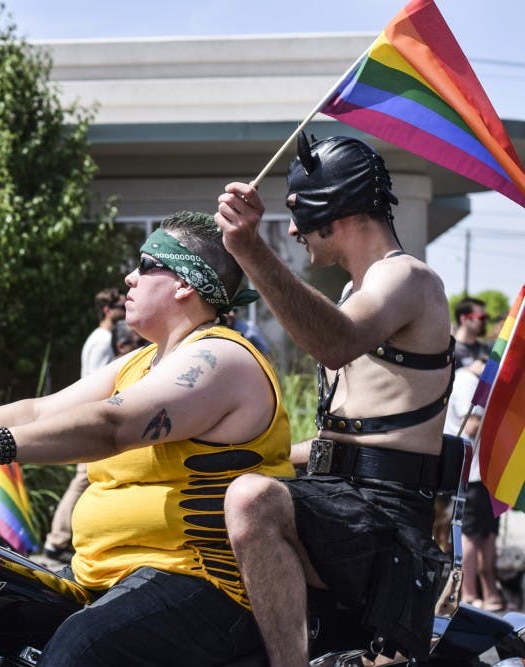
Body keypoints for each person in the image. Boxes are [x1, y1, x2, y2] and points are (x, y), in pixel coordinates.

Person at [0, 211, 293, 666]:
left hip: (200, 582)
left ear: (184, 285)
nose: (129, 278)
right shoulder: (143, 361)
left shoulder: (221, 357)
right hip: (99, 577)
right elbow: (41, 409)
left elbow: (115, 426)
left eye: (147, 264)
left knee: (77, 652)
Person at [215, 134, 453, 664]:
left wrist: (251, 249)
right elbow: (339, 442)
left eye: (299, 213)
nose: (294, 229)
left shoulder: (408, 279)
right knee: (215, 489)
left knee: (252, 500)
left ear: (336, 208)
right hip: (343, 501)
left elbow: (336, 341)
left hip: (384, 518)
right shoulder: (355, 292)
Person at [42, 287, 127, 563]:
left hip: (89, 413)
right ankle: (57, 539)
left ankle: (62, 539)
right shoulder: (103, 340)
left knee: (84, 479)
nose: (124, 313)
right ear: (107, 311)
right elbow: (100, 380)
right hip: (93, 415)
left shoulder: (98, 337)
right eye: (120, 309)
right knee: (83, 479)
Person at [445, 351, 503, 611]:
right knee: (471, 533)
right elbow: (472, 425)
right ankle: (468, 594)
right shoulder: (468, 380)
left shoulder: (465, 379)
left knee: (486, 533)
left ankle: (488, 593)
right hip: (473, 472)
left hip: (480, 472)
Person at [452, 297, 491, 369]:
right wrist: (468, 372)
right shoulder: (450, 351)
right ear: (464, 319)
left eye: (487, 317)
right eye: (482, 318)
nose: (486, 321)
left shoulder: (486, 349)